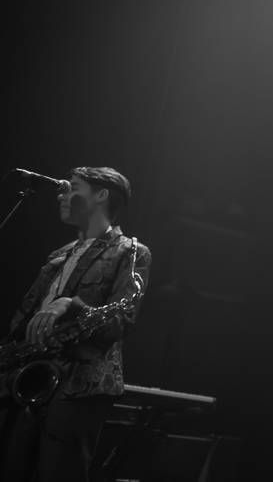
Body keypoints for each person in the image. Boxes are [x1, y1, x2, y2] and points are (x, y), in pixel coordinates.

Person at [0, 167, 152, 482]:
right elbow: (23, 321)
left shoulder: (132, 251)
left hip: (80, 383)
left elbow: (119, 323)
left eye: (73, 187)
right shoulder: (59, 254)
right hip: (28, 373)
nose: (62, 193)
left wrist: (72, 305)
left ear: (102, 195)